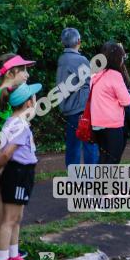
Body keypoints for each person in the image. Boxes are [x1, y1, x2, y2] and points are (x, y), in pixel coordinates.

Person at [0, 83, 42, 260]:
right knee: (9, 219)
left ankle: (13, 254)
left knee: (17, 218)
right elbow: (6, 154)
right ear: (28, 103)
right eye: (34, 97)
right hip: (17, 173)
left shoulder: (15, 122)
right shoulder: (18, 125)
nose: (36, 101)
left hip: (23, 173)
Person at [57, 28, 99, 167]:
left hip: (68, 109)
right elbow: (88, 83)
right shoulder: (80, 59)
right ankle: (90, 180)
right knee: (89, 145)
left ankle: (73, 181)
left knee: (72, 146)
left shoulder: (62, 59)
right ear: (79, 41)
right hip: (81, 109)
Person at [90, 43, 130, 164]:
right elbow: (127, 101)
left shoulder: (95, 74)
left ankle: (99, 182)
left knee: (103, 157)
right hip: (112, 125)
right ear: (117, 58)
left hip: (97, 124)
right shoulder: (115, 75)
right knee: (113, 159)